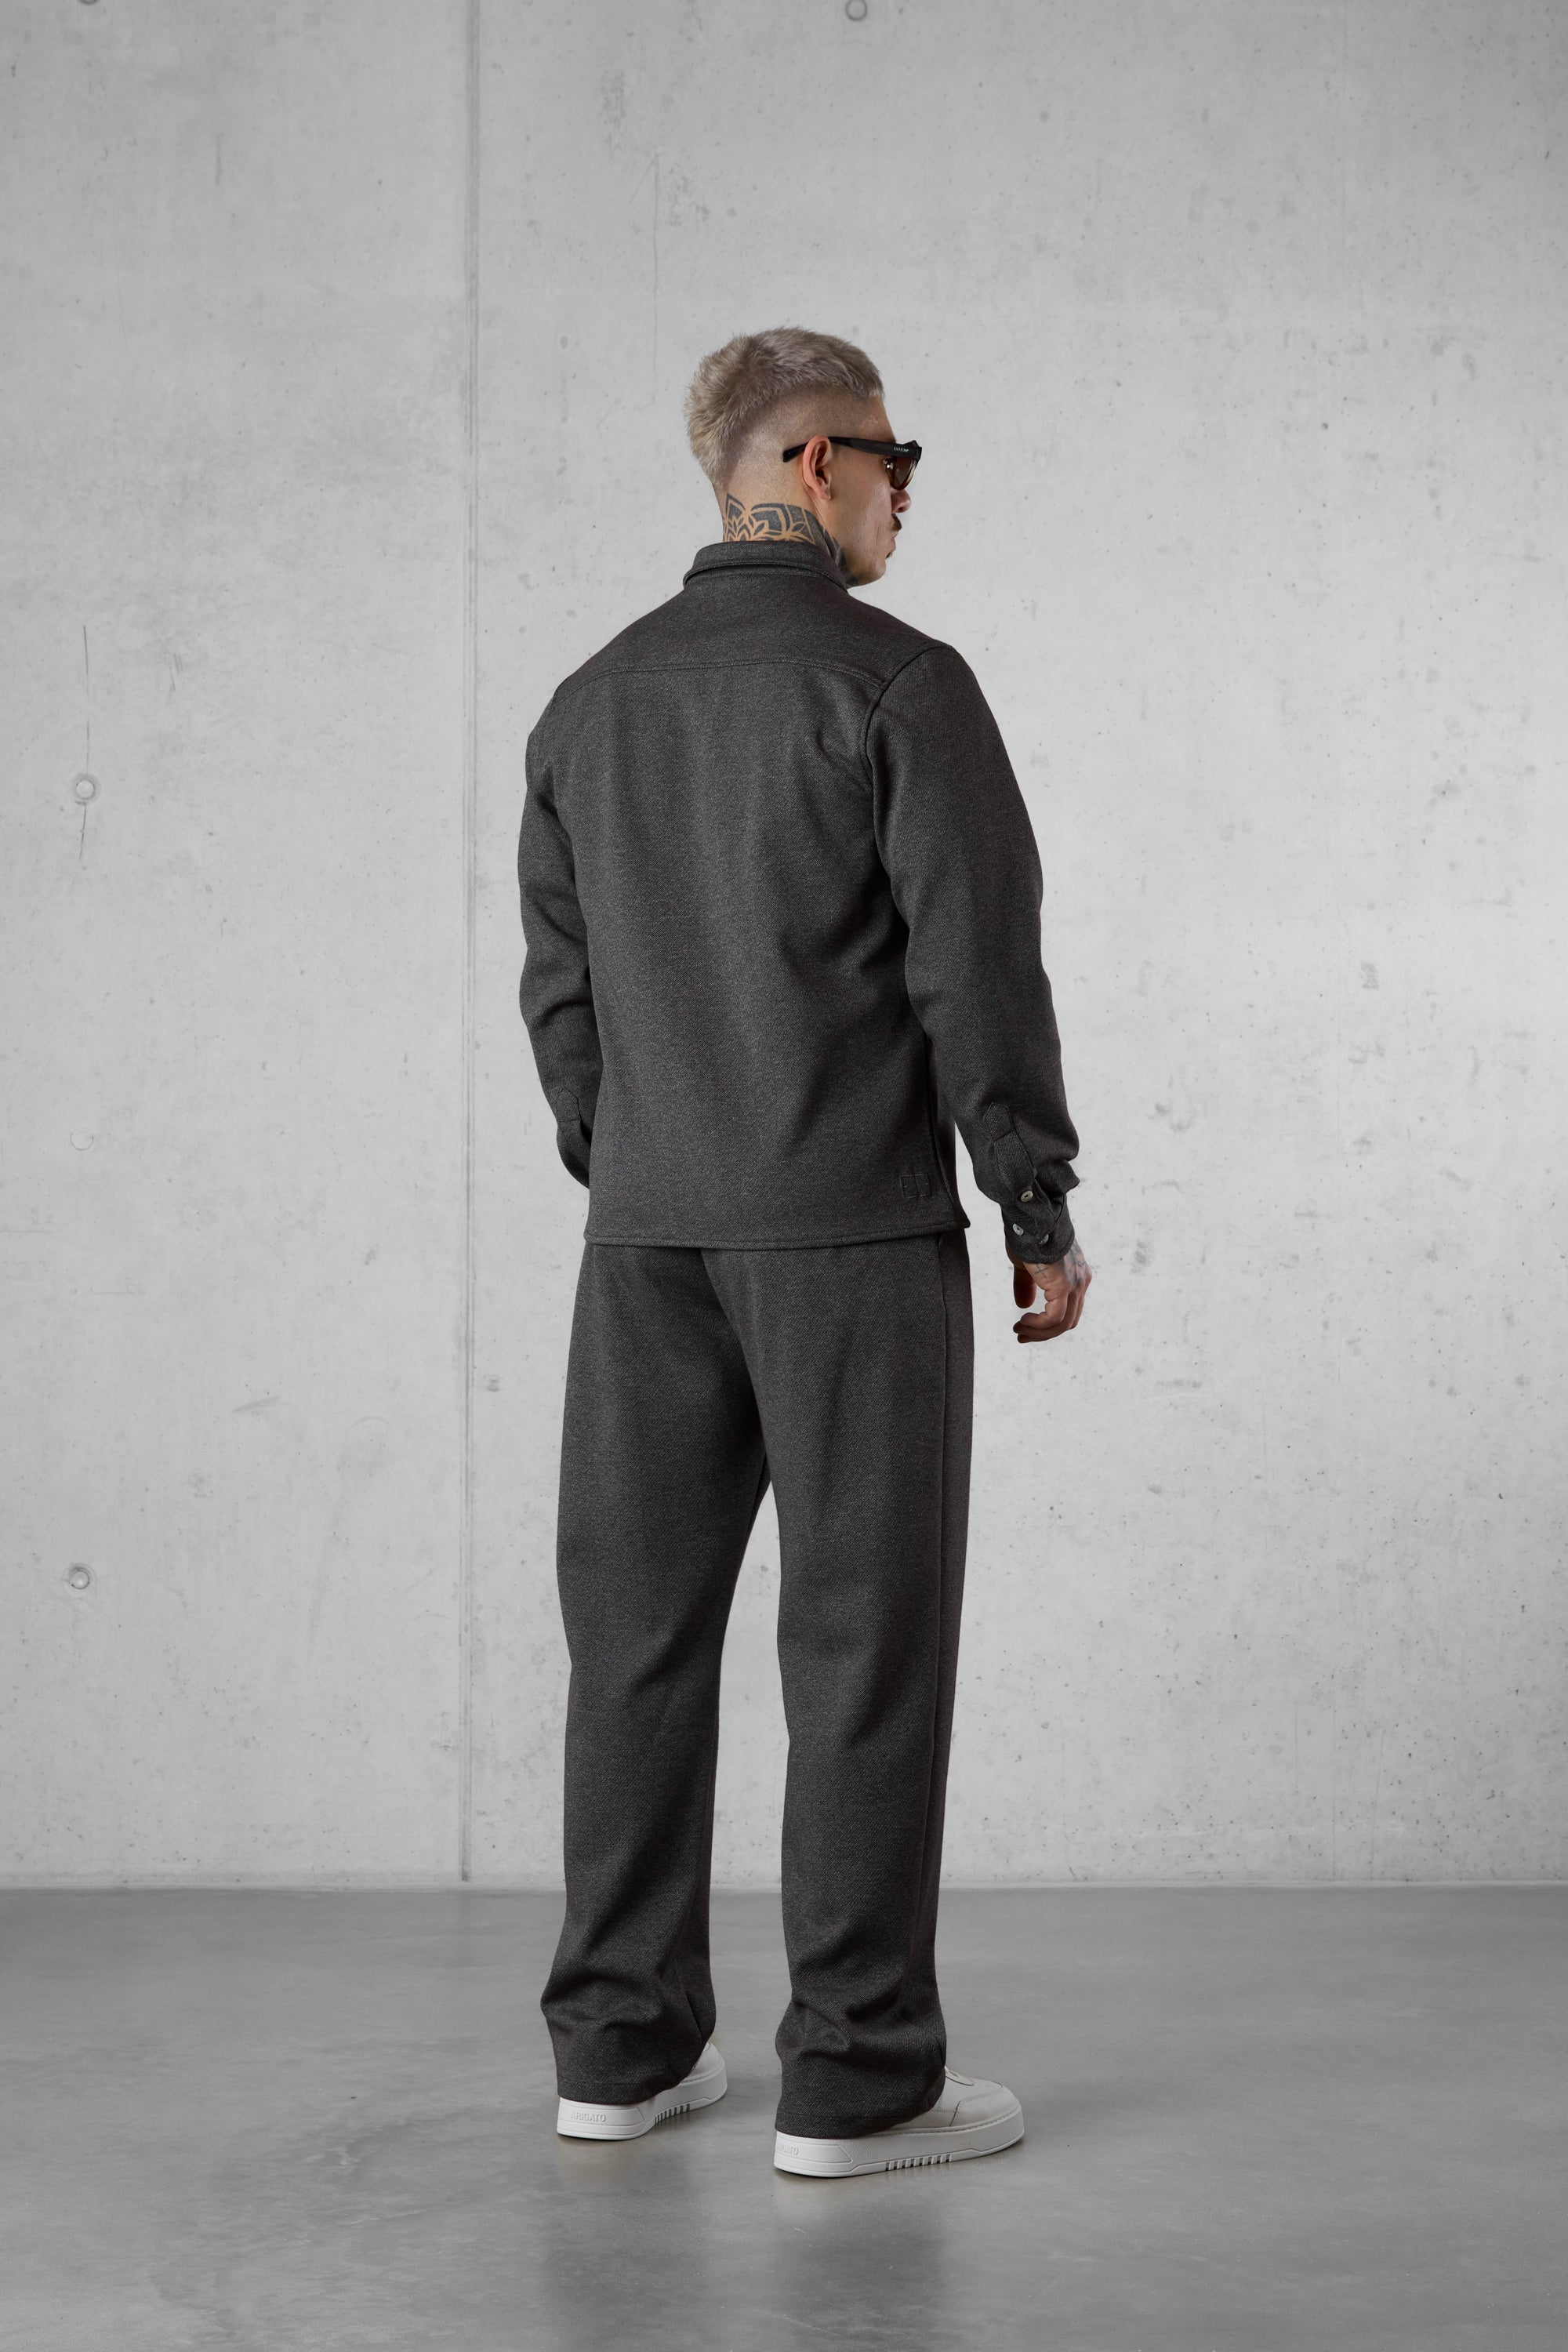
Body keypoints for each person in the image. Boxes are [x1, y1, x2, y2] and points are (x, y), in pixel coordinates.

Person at [517, 326, 1091, 2180]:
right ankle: (855, 2079)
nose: (907, 491)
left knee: (633, 1645)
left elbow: (561, 997)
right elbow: (974, 969)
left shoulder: (590, 701)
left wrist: (642, 1162)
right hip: (847, 1239)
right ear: (814, 462)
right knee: (860, 1648)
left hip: (645, 1248)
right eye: (892, 457)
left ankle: (614, 2054)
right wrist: (1032, 1197)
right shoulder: (898, 684)